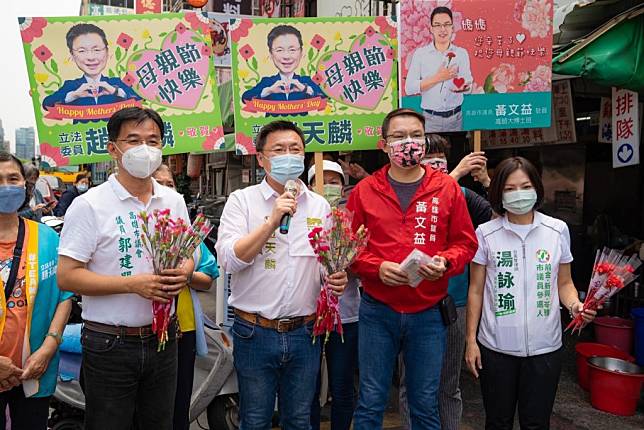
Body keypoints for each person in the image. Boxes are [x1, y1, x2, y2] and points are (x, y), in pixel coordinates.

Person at [57, 107, 193, 430]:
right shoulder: (89, 205)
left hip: (163, 339)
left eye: (153, 140)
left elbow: (191, 252)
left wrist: (184, 271)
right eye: (133, 140)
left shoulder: (174, 201)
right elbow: (68, 275)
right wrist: (132, 285)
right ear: (112, 148)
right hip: (109, 345)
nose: (144, 149)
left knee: (159, 423)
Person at [347, 108, 478, 430]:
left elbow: (466, 243)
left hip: (429, 313)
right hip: (378, 311)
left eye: (415, 136)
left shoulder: (446, 188)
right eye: (398, 137)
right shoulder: (364, 191)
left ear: (425, 140)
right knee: (371, 398)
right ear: (383, 144)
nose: (408, 143)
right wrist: (375, 267)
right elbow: (347, 248)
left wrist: (445, 261)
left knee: (424, 400)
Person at [216, 121, 348, 429]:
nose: (289, 155)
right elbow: (230, 260)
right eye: (279, 149)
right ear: (261, 158)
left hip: (305, 333)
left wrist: (335, 278)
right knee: (255, 418)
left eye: (295, 149)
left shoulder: (319, 205)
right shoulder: (241, 201)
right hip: (255, 332)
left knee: (300, 419)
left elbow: (326, 262)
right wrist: (272, 220)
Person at [465, 157, 597, 430]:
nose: (518, 194)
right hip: (496, 347)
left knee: (536, 423)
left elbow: (564, 283)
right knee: (497, 421)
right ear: (499, 193)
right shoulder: (486, 233)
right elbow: (476, 290)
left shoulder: (556, 230)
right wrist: (471, 341)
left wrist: (575, 305)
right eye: (509, 189)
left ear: (537, 188)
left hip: (545, 349)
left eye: (525, 186)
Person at [399, 134, 492, 430]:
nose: (436, 165)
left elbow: (502, 216)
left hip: (454, 302)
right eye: (429, 158)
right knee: (410, 382)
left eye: (441, 158)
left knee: (448, 384)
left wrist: (488, 181)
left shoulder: (463, 195)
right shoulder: (401, 194)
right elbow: (420, 208)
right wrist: (455, 175)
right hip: (409, 303)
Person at [0, 151, 72, 430]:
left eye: (13, 178)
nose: (6, 186)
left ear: (25, 186)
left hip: (33, 369)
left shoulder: (46, 237)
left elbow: (64, 295)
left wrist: (49, 347)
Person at [152, 164, 220, 430]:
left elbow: (207, 279)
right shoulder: (138, 233)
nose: (166, 190)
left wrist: (184, 275)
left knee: (179, 400)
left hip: (183, 327)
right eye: (159, 183)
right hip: (145, 329)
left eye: (170, 184)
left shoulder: (189, 235)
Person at [308, 160, 359, 430]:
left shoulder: (352, 220)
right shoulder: (298, 219)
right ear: (308, 185)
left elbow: (364, 266)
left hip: (347, 316)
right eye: (321, 181)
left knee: (342, 385)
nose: (328, 187)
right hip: (308, 316)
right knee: (309, 386)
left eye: (334, 181)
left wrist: (349, 265)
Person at [42, 23, 141, 113]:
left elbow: (140, 99)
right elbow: (47, 104)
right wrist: (74, 95)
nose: (91, 57)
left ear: (107, 52)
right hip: (85, 133)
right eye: (82, 51)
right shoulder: (71, 86)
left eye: (96, 50)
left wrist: (115, 91)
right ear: (72, 55)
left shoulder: (116, 83)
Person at [405, 6, 472, 133]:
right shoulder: (421, 54)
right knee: (432, 153)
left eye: (447, 24)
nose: (442, 29)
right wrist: (438, 78)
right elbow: (409, 88)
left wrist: (463, 87)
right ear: (431, 28)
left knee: (457, 153)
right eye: (437, 25)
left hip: (456, 118)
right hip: (430, 119)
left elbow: (468, 87)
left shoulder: (461, 53)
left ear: (453, 27)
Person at [241, 25, 325, 116]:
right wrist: (269, 90)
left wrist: (305, 89)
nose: (286, 56)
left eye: (292, 50)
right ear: (271, 54)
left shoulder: (306, 81)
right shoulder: (267, 82)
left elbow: (325, 97)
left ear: (301, 53)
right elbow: (245, 98)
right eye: (280, 50)